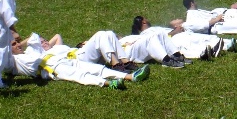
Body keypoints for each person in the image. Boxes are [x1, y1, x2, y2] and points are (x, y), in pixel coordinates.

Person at [10, 33, 150, 89]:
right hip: (52, 68)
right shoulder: (15, 59)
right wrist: (13, 47)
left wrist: (19, 44)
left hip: (63, 59)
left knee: (96, 66)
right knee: (79, 75)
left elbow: (34, 37)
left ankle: (130, 76)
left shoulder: (36, 51)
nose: (17, 45)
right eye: (14, 45)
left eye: (17, 43)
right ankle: (109, 82)